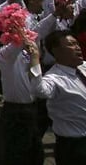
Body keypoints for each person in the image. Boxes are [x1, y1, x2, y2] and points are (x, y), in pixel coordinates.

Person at [30, 31, 86, 165]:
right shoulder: (54, 78)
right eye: (71, 44)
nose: (77, 47)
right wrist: (35, 58)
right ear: (57, 51)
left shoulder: (83, 66)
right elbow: (39, 90)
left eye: (77, 43)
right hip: (74, 145)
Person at [0, 31, 44, 165]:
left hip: (32, 107)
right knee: (16, 153)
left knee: (35, 151)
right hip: (15, 111)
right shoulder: (1, 54)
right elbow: (13, 48)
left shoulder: (27, 50)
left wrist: (33, 52)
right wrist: (21, 36)